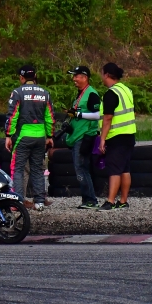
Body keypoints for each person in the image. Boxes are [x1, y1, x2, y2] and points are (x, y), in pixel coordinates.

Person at [5, 65, 55, 211]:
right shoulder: (45, 93)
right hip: (40, 137)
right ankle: (39, 202)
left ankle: (17, 202)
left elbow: (12, 116)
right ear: (35, 76)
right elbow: (50, 117)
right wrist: (50, 136)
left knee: (18, 169)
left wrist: (8, 135)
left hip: (22, 137)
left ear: (21, 78)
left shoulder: (17, 93)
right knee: (38, 169)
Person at [97, 62, 136, 211]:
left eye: (102, 73)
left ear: (106, 74)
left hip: (116, 136)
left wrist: (102, 139)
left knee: (114, 169)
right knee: (125, 169)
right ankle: (123, 201)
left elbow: (107, 118)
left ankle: (110, 201)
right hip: (129, 134)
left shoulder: (111, 93)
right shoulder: (126, 90)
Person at [65, 66, 101, 210]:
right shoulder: (80, 94)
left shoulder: (92, 94)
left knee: (81, 168)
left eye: (77, 76)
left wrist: (79, 115)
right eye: (73, 76)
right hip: (76, 136)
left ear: (85, 77)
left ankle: (91, 200)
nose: (74, 79)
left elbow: (98, 114)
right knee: (81, 168)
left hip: (84, 137)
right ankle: (87, 199)